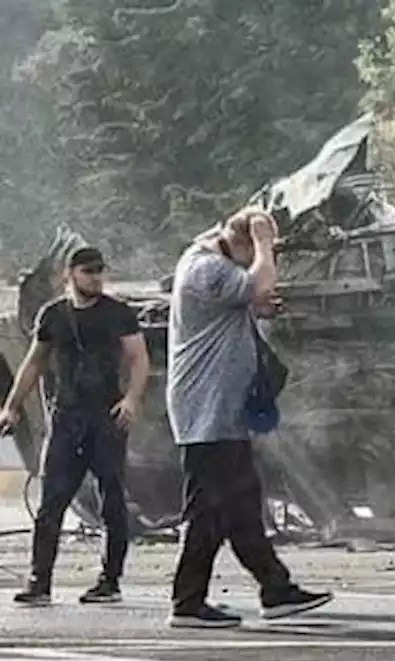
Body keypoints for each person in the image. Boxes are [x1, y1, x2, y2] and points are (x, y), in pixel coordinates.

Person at [165, 208, 332, 628]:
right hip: (206, 412)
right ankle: (189, 602)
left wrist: (260, 310)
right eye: (255, 248)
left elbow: (249, 300)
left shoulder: (213, 265)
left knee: (237, 506)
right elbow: (259, 282)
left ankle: (274, 589)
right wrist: (263, 243)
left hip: (222, 412)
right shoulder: (206, 269)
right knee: (212, 508)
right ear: (240, 242)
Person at [0, 246, 148, 605]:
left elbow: (137, 357)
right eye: (88, 270)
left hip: (106, 416)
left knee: (112, 498)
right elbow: (34, 363)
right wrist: (12, 407)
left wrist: (131, 399)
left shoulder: (118, 314)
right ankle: (40, 582)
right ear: (70, 274)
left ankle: (109, 580)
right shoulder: (53, 315)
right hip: (66, 417)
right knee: (53, 500)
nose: (96, 276)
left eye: (100, 270)